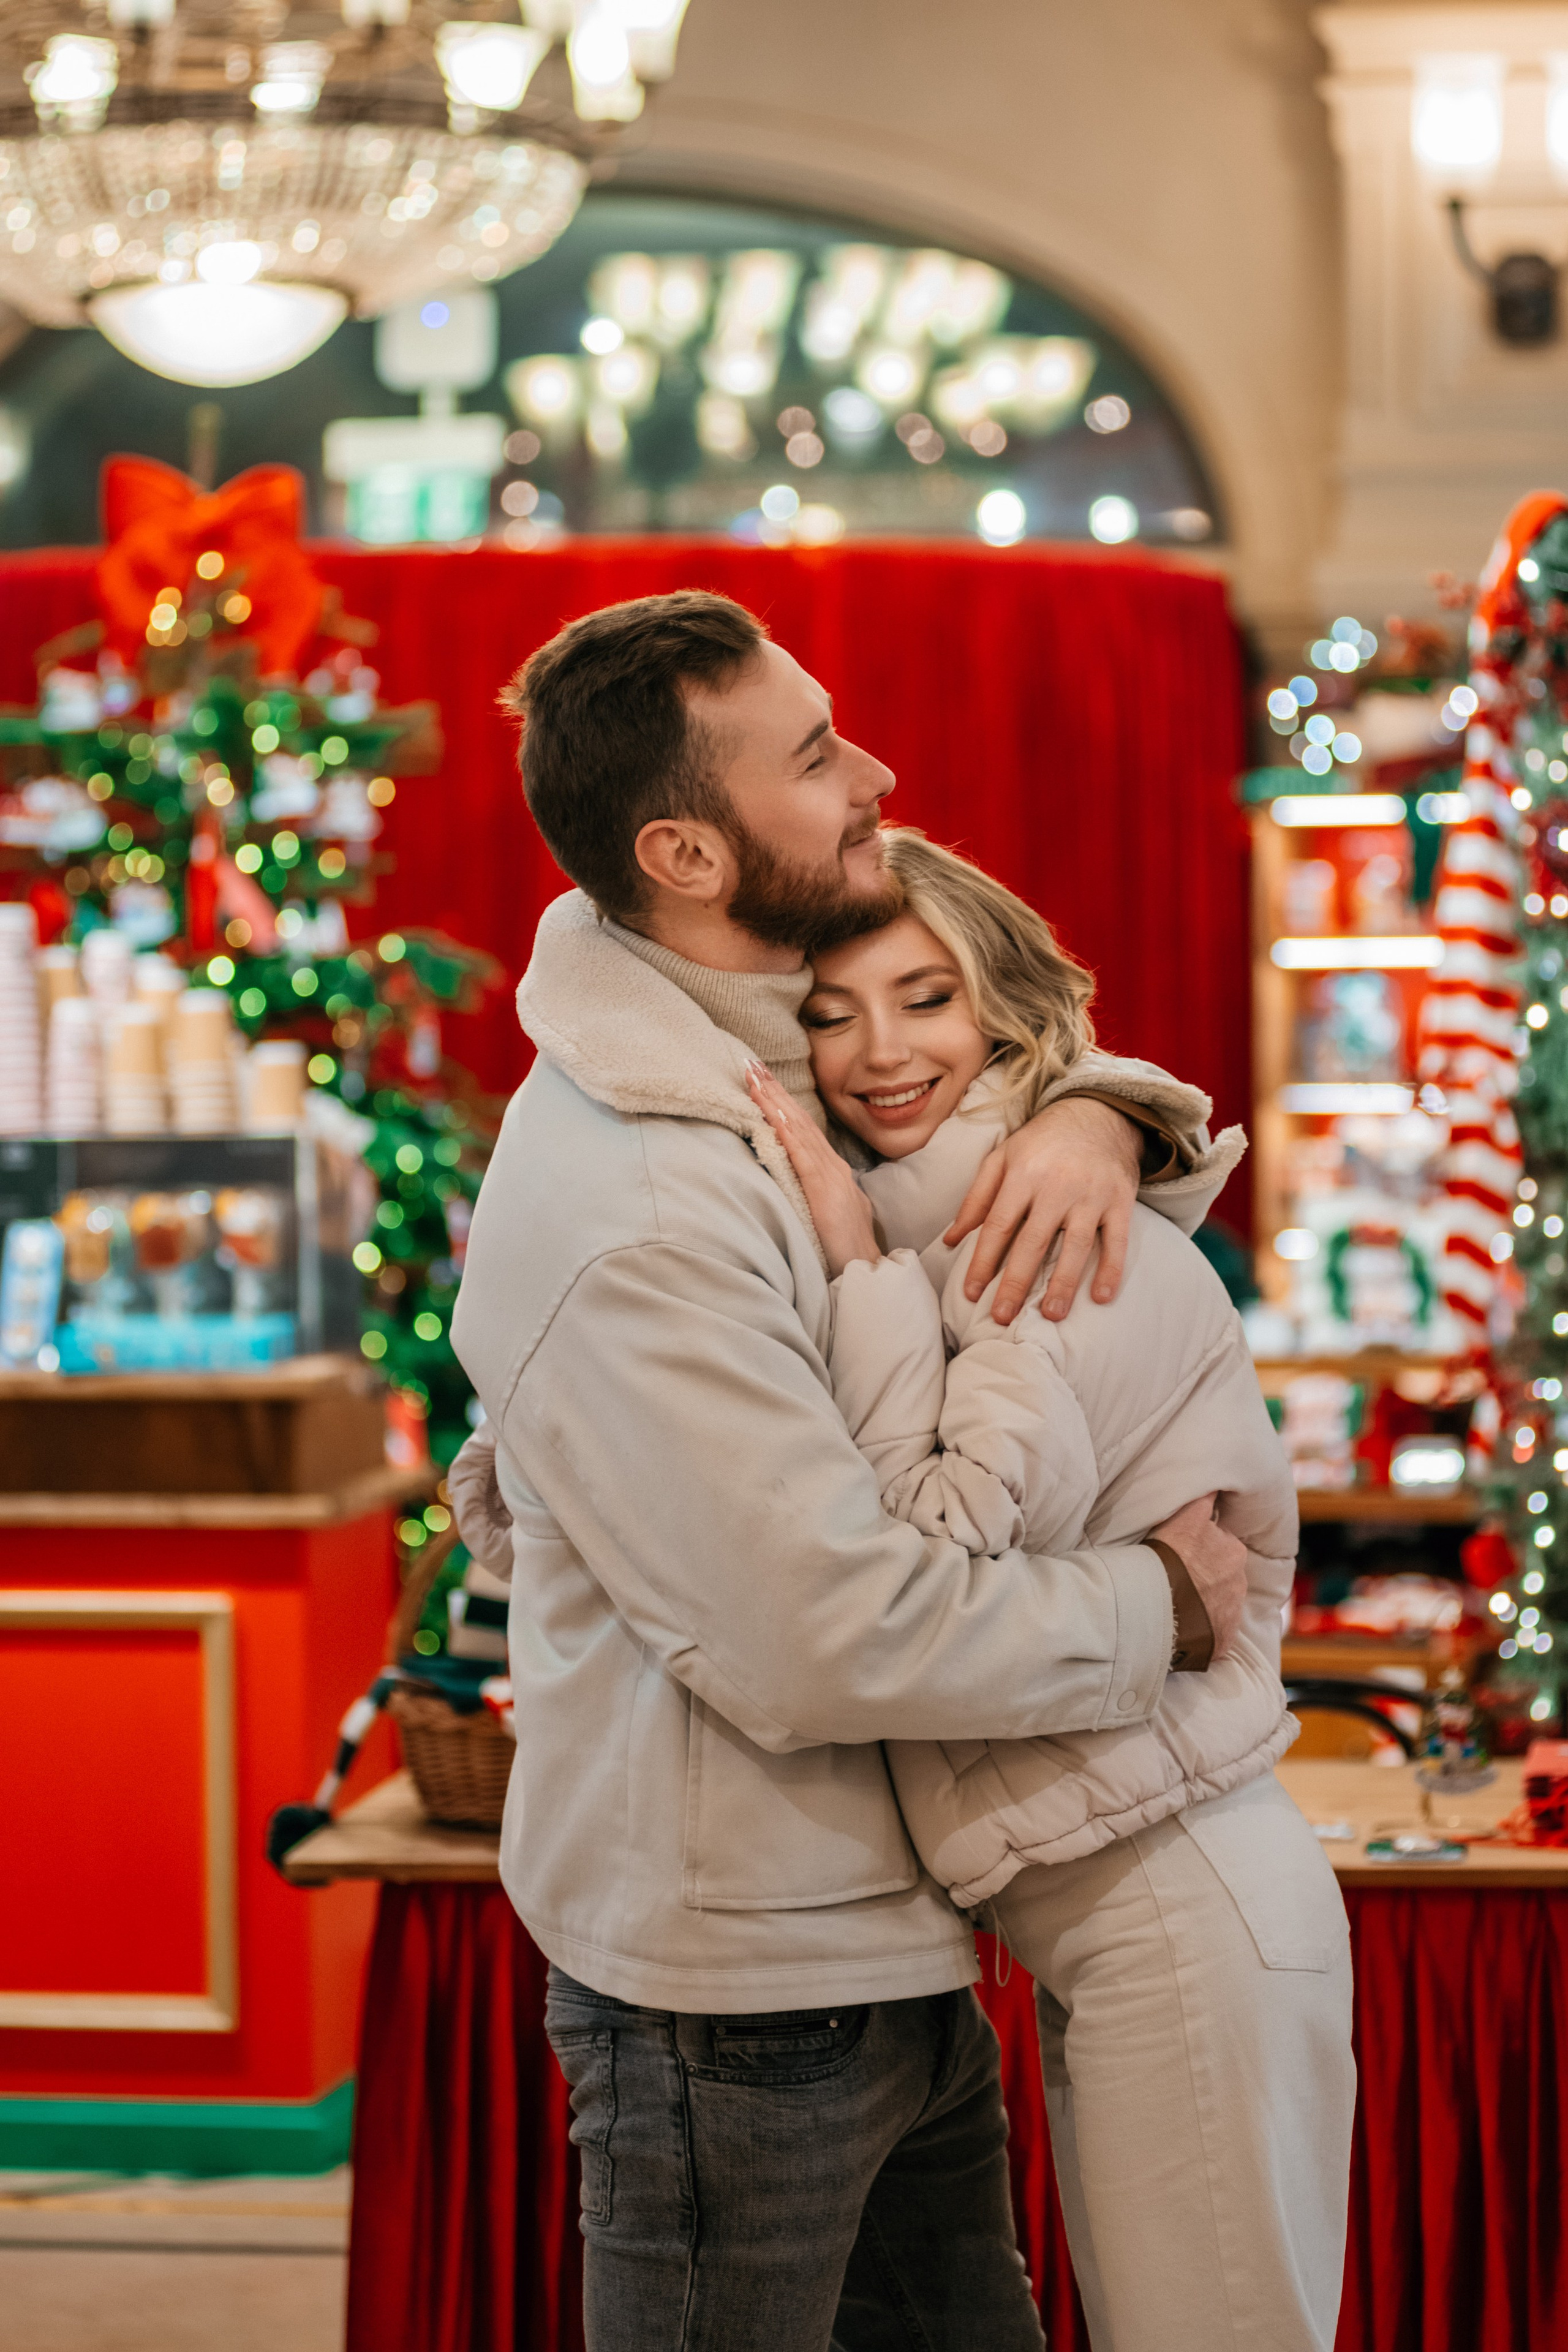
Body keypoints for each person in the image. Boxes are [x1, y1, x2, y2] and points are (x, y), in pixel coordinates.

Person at [451, 589, 1247, 2352]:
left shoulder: (766, 1041)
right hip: (734, 2002)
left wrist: (1094, 1114)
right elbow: (824, 1637)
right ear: (684, 854)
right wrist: (1157, 1608)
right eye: (814, 756)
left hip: (879, 1939)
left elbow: (980, 1075)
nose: (875, 770)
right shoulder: (642, 1199)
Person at [745, 826, 1354, 2352]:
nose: (879, 1054)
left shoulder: (1015, 1237)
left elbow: (935, 1558)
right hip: (1145, 1893)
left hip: (1177, 1897)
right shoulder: (980, 1208)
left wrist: (855, 1271)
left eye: (926, 998)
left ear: (1003, 1010)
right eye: (829, 1013)